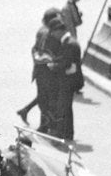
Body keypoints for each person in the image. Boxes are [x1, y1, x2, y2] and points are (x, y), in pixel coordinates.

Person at [21, 11, 80, 141]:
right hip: (50, 73)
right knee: (50, 101)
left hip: (40, 71)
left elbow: (34, 49)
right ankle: (49, 126)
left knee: (44, 98)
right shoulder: (53, 36)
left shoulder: (41, 31)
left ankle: (44, 125)